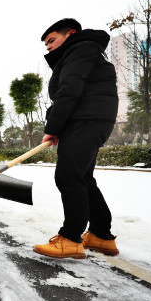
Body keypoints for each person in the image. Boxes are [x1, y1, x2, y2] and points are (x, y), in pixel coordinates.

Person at [33, 18, 119, 260]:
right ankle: (102, 235)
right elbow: (68, 94)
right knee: (82, 178)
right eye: (46, 44)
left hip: (85, 120)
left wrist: (54, 127)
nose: (48, 47)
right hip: (88, 119)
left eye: (52, 40)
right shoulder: (85, 51)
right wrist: (57, 123)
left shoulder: (80, 49)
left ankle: (70, 238)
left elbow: (70, 90)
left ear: (70, 33)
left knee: (68, 176)